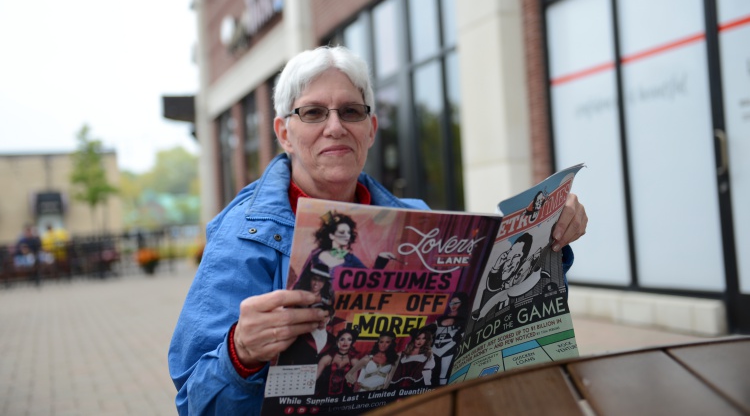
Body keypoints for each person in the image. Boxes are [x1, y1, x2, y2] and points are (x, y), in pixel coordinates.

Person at [168, 46, 588, 415]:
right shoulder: (242, 235)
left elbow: (491, 323)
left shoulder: (420, 220)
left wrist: (548, 239)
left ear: (370, 129)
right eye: (313, 113)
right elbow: (196, 403)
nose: (335, 127)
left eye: (351, 111)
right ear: (285, 134)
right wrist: (239, 353)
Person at [430, 291, 469, 386]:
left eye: (456, 303)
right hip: (434, 350)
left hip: (451, 350)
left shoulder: (465, 319)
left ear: (462, 303)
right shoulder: (440, 319)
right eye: (451, 303)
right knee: (431, 374)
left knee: (444, 375)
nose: (453, 305)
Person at [315, 327, 360, 396]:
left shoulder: (354, 361)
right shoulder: (327, 358)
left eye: (349, 339)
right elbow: (315, 377)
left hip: (344, 397)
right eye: (342, 339)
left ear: (352, 342)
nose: (345, 342)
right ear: (337, 342)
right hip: (325, 396)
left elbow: (354, 383)